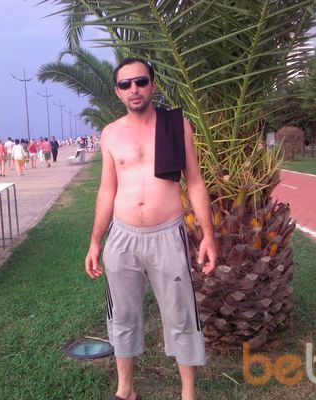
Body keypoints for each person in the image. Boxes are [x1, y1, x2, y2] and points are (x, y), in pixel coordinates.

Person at [85, 58, 217, 400]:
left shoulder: (175, 125)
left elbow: (195, 182)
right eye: (125, 84)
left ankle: (188, 394)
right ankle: (126, 390)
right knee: (122, 315)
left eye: (141, 81)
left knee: (181, 314)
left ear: (152, 85)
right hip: (123, 237)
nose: (134, 89)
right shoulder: (111, 134)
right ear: (117, 91)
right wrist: (96, 241)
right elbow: (107, 190)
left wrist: (208, 235)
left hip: (168, 235)